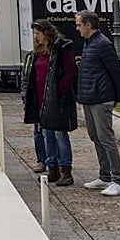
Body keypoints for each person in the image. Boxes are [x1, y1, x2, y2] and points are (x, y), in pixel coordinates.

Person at [74, 9, 120, 196]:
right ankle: (104, 176)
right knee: (95, 136)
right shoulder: (89, 43)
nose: (77, 28)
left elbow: (116, 71)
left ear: (89, 25)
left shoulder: (102, 44)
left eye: (79, 24)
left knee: (106, 138)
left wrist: (115, 98)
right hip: (89, 97)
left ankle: (117, 180)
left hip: (101, 98)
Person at [24, 19, 78, 186]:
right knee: (47, 134)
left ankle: (66, 170)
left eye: (38, 33)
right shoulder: (37, 53)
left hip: (57, 99)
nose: (35, 37)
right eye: (34, 34)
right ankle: (52, 166)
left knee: (60, 134)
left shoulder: (61, 48)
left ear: (46, 34)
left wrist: (57, 92)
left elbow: (70, 73)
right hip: (41, 100)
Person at [21, 37, 48, 175]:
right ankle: (41, 160)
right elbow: (25, 77)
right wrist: (25, 96)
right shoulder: (31, 56)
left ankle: (54, 162)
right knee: (37, 132)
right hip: (34, 100)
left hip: (48, 100)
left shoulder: (51, 55)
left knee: (49, 133)